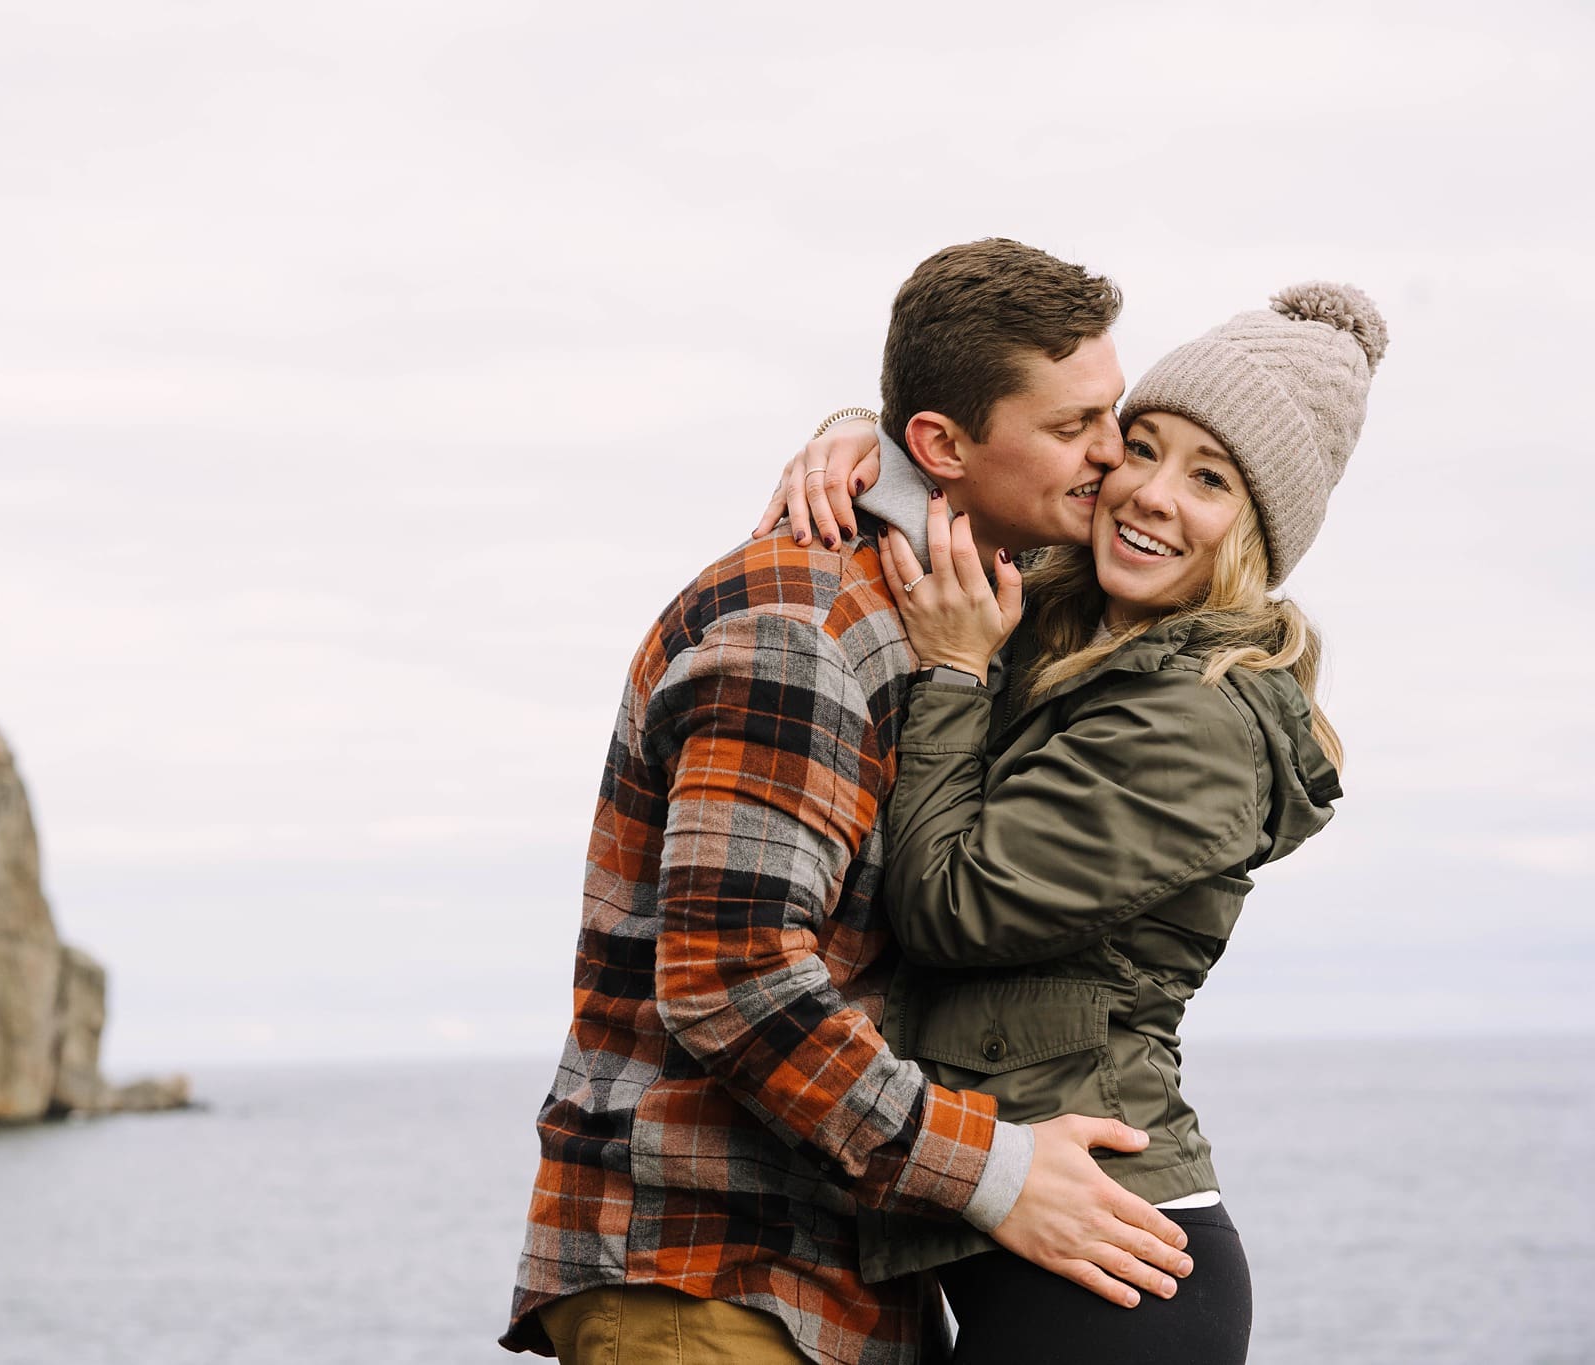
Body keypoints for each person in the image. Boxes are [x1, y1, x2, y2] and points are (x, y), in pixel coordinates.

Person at [501, 240, 1196, 1365]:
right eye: (1075, 426)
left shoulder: (961, 598)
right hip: (708, 1274)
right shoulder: (802, 626)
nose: (1112, 455)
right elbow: (730, 979)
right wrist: (998, 1172)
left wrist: (857, 434)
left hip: (825, 1283)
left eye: (1110, 415)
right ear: (942, 445)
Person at [778, 283, 1384, 1362]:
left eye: (1208, 479)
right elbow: (964, 472)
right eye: (1140, 448)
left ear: (1258, 531)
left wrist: (955, 674)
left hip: (1115, 1271)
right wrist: (860, 437)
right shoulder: (1066, 622)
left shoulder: (1199, 721)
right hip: (1030, 1237)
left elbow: (950, 907)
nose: (1150, 493)